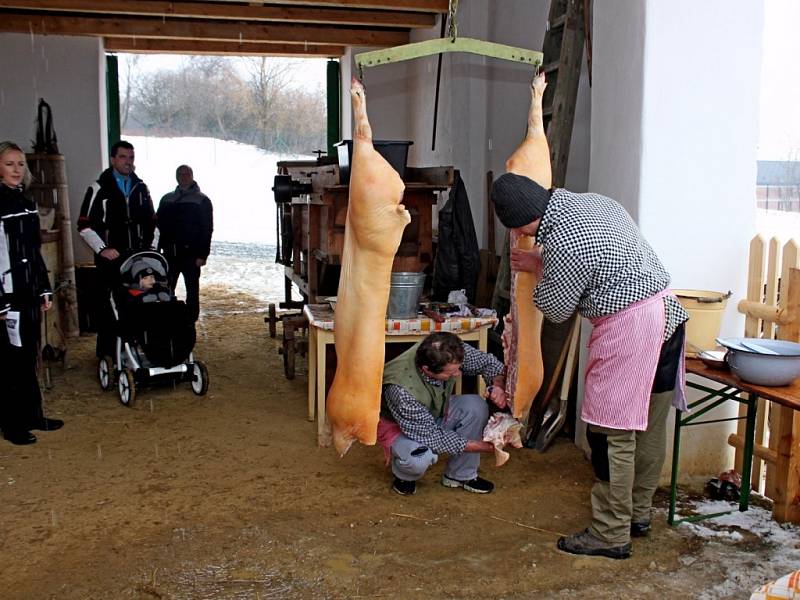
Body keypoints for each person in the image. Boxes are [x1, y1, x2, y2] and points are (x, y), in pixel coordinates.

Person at [491, 172, 688, 560]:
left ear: (518, 226)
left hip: (629, 326)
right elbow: (599, 253)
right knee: (647, 420)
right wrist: (541, 260)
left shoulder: (562, 242)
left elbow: (557, 308)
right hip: (668, 315)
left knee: (610, 432)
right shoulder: (593, 202)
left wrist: (540, 269)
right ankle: (637, 514)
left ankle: (610, 532)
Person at [378, 331, 508, 496]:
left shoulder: (449, 351)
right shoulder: (401, 390)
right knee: (419, 458)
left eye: (458, 368)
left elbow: (488, 363)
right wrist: (483, 446)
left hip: (434, 408)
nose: (458, 374)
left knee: (476, 405)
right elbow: (431, 436)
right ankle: (405, 476)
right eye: (451, 373)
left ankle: (460, 475)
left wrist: (497, 385)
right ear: (427, 370)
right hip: (401, 425)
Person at [0, 141, 64, 445]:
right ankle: (12, 424)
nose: (16, 169)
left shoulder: (26, 202)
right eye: (9, 164)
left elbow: (33, 251)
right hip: (8, 293)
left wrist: (43, 287)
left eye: (20, 164)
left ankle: (33, 414)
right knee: (11, 359)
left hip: (28, 289)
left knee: (30, 355)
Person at [78, 140, 155, 357]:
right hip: (110, 262)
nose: (128, 162)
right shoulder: (98, 188)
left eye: (131, 157)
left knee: (140, 301)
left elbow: (153, 222)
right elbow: (83, 225)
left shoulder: (141, 188)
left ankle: (136, 351)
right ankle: (108, 355)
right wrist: (102, 249)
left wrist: (151, 250)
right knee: (110, 308)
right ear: (113, 159)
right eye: (123, 157)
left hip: (137, 260)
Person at [156, 165, 213, 322]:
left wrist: (203, 254)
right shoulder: (167, 199)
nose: (183, 177)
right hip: (170, 253)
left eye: (186, 174)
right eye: (180, 174)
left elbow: (207, 229)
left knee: (192, 291)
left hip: (191, 255)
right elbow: (157, 224)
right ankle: (167, 320)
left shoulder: (202, 200)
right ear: (176, 177)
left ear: (192, 176)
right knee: (166, 289)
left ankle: (190, 322)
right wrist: (157, 248)